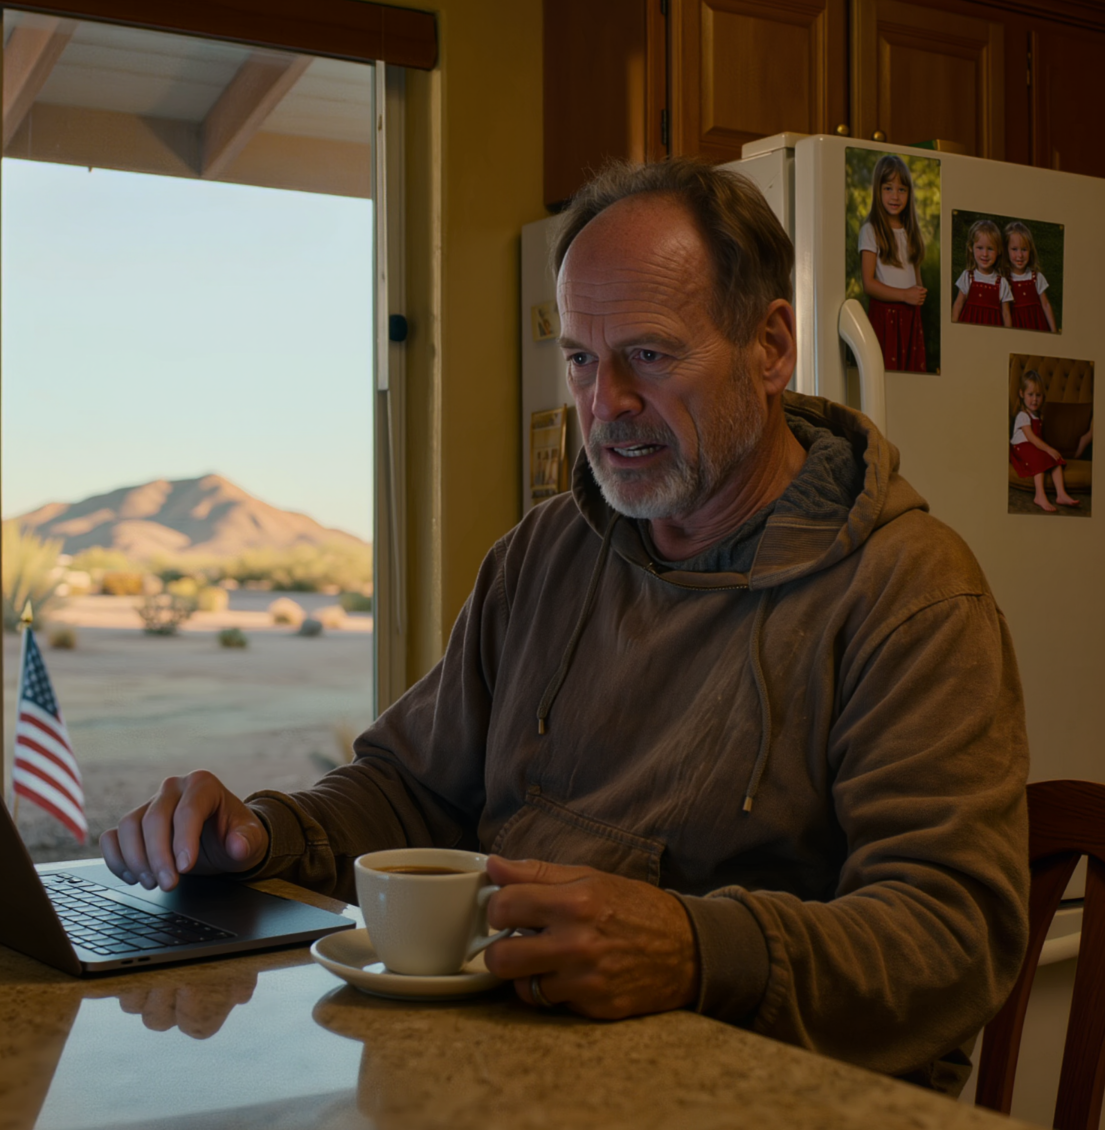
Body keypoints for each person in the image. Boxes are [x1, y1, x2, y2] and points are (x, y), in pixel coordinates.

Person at [103, 159, 1029, 1093]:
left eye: (650, 355)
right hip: (527, 1071)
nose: (606, 402)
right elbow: (410, 791)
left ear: (771, 344)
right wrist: (261, 837)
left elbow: (950, 936)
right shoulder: (545, 552)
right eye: (582, 359)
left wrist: (696, 948)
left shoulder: (909, 592)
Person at [858, 154, 928, 371]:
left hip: (910, 318)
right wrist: (904, 295)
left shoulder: (912, 232)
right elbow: (868, 284)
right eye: (888, 188)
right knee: (885, 375)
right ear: (878, 191)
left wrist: (917, 294)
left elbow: (916, 277)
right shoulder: (871, 231)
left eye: (902, 190)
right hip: (885, 317)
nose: (895, 196)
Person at [1009, 369, 1080, 510]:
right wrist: (1048, 449)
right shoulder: (1023, 415)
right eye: (1030, 394)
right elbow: (1031, 438)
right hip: (1021, 447)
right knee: (1040, 457)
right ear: (1022, 394)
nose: (1034, 399)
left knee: (1056, 459)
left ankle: (1061, 494)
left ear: (1043, 396)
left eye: (1038, 395)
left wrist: (1052, 452)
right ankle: (1039, 495)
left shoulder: (1038, 416)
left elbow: (1038, 440)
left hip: (1032, 446)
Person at [952, 219, 1013, 326]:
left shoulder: (1002, 283)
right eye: (980, 248)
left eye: (990, 249)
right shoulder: (968, 276)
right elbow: (958, 304)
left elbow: (1006, 314)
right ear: (971, 248)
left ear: (998, 250)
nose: (985, 254)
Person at [1004, 221, 1057, 332]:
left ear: (1030, 250)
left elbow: (1046, 305)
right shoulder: (1005, 279)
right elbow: (1005, 311)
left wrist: (1054, 331)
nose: (1020, 255)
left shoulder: (1036, 277)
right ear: (1006, 250)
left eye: (1024, 249)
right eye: (1014, 249)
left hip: (1037, 326)